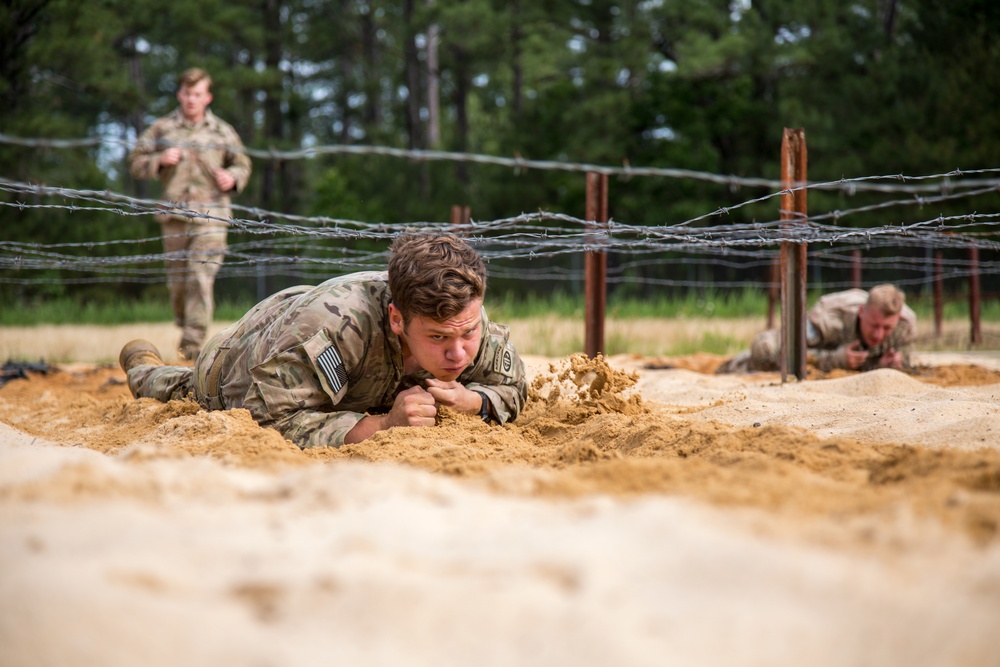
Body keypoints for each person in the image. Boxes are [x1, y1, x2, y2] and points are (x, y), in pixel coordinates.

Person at [118, 232, 528, 448]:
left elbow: (512, 385)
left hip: (310, 337)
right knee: (184, 389)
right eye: (438, 338)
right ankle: (144, 367)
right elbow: (267, 422)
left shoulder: (463, 313)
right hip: (240, 361)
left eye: (468, 333)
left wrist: (475, 402)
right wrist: (383, 426)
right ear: (397, 319)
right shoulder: (330, 332)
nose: (458, 353)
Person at [128, 67, 252, 361]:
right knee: (179, 284)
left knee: (200, 275)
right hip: (174, 216)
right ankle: (187, 328)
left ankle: (192, 348)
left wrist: (232, 178)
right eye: (187, 93)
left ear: (207, 97)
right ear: (179, 94)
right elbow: (135, 161)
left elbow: (243, 163)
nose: (191, 99)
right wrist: (158, 160)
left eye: (197, 94)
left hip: (213, 217)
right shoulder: (161, 129)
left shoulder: (222, 131)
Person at [717, 284, 917, 374]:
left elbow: (906, 356)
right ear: (861, 312)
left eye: (886, 328)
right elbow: (787, 350)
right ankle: (737, 364)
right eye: (873, 325)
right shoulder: (829, 318)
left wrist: (887, 363)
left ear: (898, 319)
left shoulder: (904, 328)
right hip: (822, 344)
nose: (878, 335)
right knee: (764, 349)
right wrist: (836, 360)